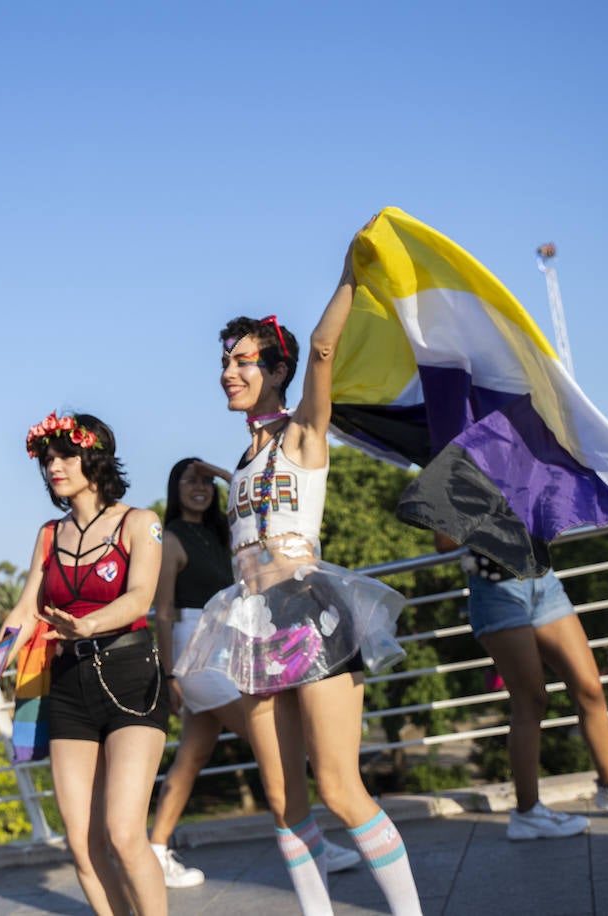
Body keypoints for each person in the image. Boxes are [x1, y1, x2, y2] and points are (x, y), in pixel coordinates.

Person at [176, 231, 422, 916]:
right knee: (285, 804)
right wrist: (226, 478)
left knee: (341, 789)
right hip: (253, 624)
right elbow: (254, 506)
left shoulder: (305, 433)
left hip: (309, 615)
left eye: (244, 361)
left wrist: (349, 270)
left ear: (275, 371)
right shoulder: (248, 461)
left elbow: (321, 348)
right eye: (225, 362)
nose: (230, 371)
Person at [0, 412, 169, 916]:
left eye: (65, 455)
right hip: (67, 685)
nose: (54, 466)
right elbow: (22, 612)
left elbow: (141, 597)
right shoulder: (48, 535)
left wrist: (89, 624)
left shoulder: (140, 523)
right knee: (82, 846)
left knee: (124, 834)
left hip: (130, 679)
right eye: (47, 459)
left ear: (94, 457)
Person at [149, 458, 360, 888]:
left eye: (206, 482)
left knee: (192, 756)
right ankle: (309, 843)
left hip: (227, 644)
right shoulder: (171, 538)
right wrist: (169, 674)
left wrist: (226, 477)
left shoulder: (219, 533)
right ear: (174, 488)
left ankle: (155, 850)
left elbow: (251, 507)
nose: (200, 487)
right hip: (196, 652)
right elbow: (164, 611)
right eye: (190, 480)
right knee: (280, 748)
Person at [438, 534, 608, 839]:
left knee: (590, 689)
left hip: (543, 582)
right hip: (496, 591)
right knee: (531, 701)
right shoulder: (463, 484)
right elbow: (443, 542)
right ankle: (528, 813)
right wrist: (490, 517)